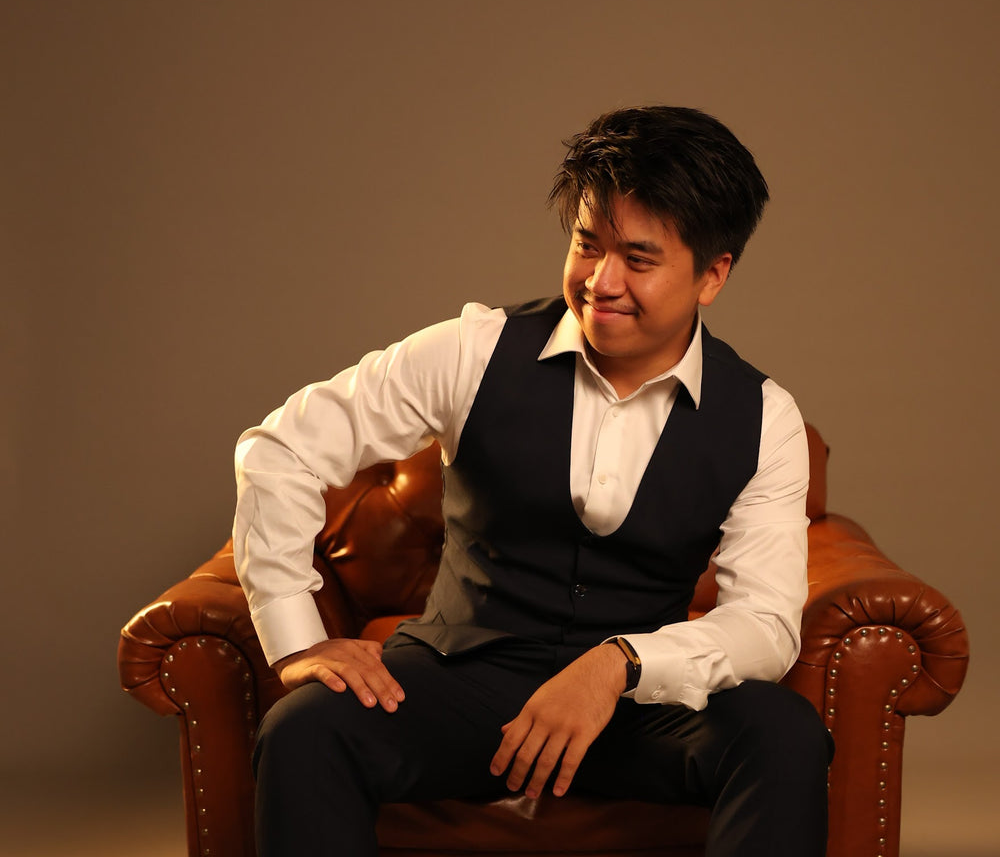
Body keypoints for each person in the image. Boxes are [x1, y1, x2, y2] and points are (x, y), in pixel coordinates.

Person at [233, 105, 833, 857]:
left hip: (635, 709)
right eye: (588, 244)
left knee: (782, 735)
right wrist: (294, 639)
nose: (601, 282)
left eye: (638, 260)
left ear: (713, 274)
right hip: (459, 680)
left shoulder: (764, 418)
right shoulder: (474, 350)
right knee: (305, 731)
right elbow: (281, 448)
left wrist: (621, 664)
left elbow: (767, 624)